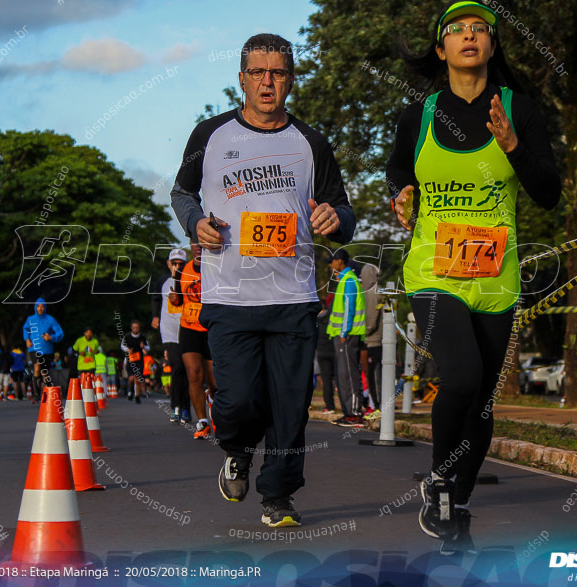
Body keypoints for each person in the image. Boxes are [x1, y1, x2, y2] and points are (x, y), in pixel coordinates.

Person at [387, 1, 560, 552]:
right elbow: (398, 165)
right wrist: (402, 191)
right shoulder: (418, 115)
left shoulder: (520, 110)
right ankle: (438, 483)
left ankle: (458, 502)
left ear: (490, 46)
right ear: (442, 49)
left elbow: (549, 193)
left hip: (495, 278)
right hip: (434, 271)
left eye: (479, 29)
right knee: (459, 377)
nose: (469, 36)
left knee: (481, 400)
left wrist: (512, 146)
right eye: (456, 30)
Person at [171, 33, 356, 527]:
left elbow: (344, 211)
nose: (267, 81)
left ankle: (278, 497)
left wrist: (335, 219)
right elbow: (181, 192)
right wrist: (196, 224)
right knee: (238, 401)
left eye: (277, 72)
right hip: (229, 295)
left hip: (293, 295)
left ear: (291, 81)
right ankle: (235, 449)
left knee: (290, 407)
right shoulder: (208, 135)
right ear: (241, 80)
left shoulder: (312, 143)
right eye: (258, 72)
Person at [168, 242, 215, 438]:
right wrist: (173, 298)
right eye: (194, 243)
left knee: (215, 380)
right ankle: (202, 422)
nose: (197, 246)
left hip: (213, 327)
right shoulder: (181, 272)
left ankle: (215, 408)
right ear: (191, 245)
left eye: (201, 243)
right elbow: (178, 299)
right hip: (189, 328)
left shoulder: (216, 268)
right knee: (194, 375)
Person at [326, 250, 366, 427]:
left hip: (347, 335)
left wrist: (343, 332)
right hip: (342, 335)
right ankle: (348, 412)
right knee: (342, 375)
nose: (330, 265)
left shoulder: (349, 280)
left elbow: (349, 308)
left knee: (349, 374)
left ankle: (355, 413)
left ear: (340, 261)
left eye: (332, 261)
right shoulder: (344, 280)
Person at [151, 249, 190, 422]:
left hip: (188, 328)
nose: (177, 266)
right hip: (169, 331)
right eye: (174, 263)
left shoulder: (190, 278)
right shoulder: (162, 281)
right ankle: (176, 407)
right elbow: (155, 298)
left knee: (188, 370)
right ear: (168, 264)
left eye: (180, 264)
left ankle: (186, 407)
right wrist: (155, 316)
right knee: (177, 368)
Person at [22, 298, 64, 404]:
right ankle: (36, 394)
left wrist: (51, 337)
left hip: (47, 350)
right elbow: (25, 329)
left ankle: (45, 394)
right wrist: (27, 339)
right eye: (38, 306)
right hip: (34, 349)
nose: (40, 308)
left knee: (44, 373)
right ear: (35, 308)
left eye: (42, 306)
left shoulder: (50, 319)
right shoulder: (30, 319)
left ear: (45, 307)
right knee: (37, 367)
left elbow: (60, 334)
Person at [360, 263, 384, 416]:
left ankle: (377, 407)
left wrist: (364, 334)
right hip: (378, 339)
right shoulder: (378, 290)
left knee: (374, 376)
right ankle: (376, 405)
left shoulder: (372, 292)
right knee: (376, 375)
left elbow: (371, 319)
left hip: (373, 340)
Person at [120, 320, 149, 403]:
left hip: (139, 360)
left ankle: (137, 396)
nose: (135, 329)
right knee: (131, 378)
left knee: (138, 378)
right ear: (131, 328)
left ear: (139, 328)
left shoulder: (143, 337)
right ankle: (131, 390)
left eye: (137, 328)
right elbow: (122, 346)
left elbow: (148, 348)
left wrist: (143, 347)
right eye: (134, 328)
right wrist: (127, 350)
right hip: (130, 360)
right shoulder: (127, 337)